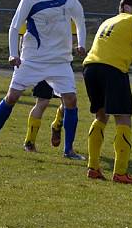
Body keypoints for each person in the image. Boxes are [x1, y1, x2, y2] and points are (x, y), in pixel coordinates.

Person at [0, 0, 86, 156]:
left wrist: (81, 43)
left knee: (71, 101)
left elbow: (80, 21)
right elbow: (15, 27)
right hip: (32, 60)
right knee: (12, 97)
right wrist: (13, 54)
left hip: (60, 61)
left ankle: (68, 149)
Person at [82, 0, 132, 184]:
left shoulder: (108, 21)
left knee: (101, 115)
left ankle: (93, 168)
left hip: (90, 67)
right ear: (126, 8)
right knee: (123, 118)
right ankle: (120, 173)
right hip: (113, 70)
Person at [22, 17, 85, 159]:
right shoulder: (37, 14)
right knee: (42, 102)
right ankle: (29, 141)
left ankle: (57, 124)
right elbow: (26, 38)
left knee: (67, 102)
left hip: (61, 63)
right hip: (42, 63)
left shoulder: (69, 18)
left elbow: (74, 40)